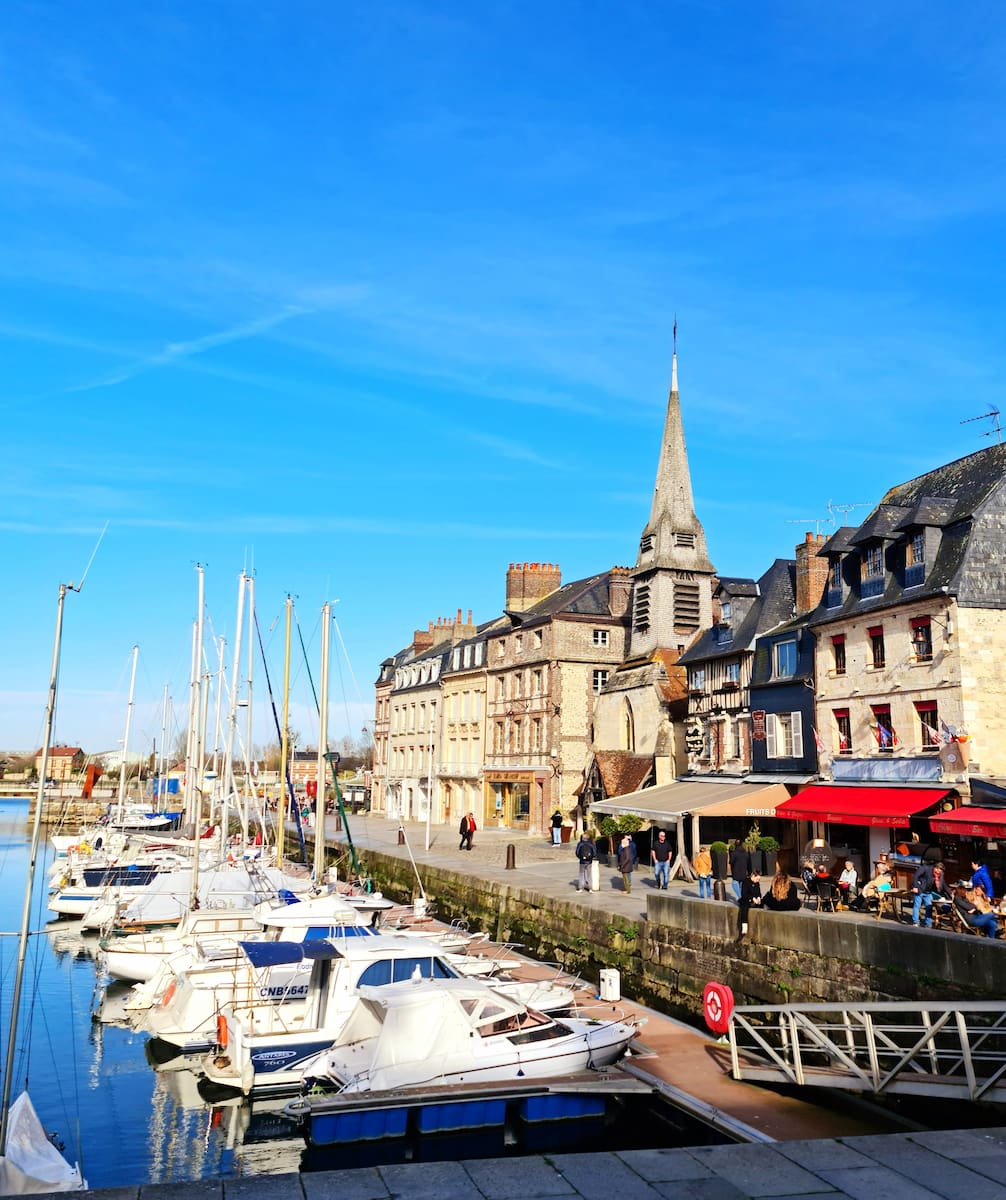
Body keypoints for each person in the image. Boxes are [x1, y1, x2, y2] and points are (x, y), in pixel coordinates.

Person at [911, 859, 951, 927]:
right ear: (936, 868)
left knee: (929, 907)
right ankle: (915, 922)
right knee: (917, 906)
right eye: (939, 870)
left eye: (941, 871)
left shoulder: (939, 875)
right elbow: (916, 876)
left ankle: (928, 923)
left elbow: (943, 885)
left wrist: (950, 893)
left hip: (928, 892)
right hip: (920, 889)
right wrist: (915, 886)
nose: (939, 872)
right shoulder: (926, 868)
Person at [738, 869, 762, 936]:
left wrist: (759, 897)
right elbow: (744, 894)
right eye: (757, 879)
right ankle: (744, 926)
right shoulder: (746, 882)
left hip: (755, 900)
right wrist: (752, 898)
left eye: (759, 879)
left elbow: (758, 892)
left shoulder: (757, 883)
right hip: (746, 900)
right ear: (753, 876)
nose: (758, 881)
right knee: (744, 907)